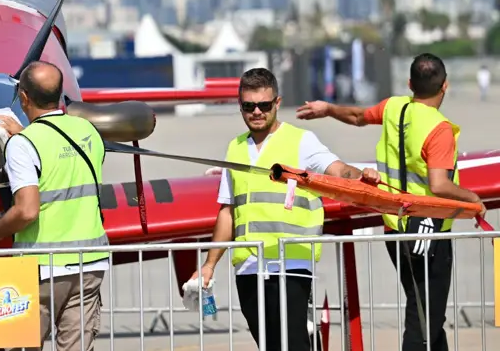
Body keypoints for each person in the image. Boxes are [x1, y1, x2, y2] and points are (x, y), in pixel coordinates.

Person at [296, 52, 485, 351]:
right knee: (422, 319)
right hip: (428, 232)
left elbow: (358, 117)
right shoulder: (439, 128)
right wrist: (474, 199)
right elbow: (439, 184)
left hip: (395, 230)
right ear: (445, 86)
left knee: (428, 312)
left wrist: (328, 108)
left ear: (410, 83)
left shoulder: (394, 107)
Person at [193, 68, 379, 351]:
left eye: (264, 105)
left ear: (277, 103)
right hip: (248, 267)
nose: (257, 112)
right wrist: (209, 264)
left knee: (293, 345)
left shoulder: (301, 141)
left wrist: (359, 176)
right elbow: (227, 211)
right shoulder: (235, 148)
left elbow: (338, 169)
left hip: (290, 263)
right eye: (248, 106)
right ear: (240, 106)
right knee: (269, 346)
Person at [0, 60, 107, 351]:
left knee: (21, 345)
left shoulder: (24, 145)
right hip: (91, 263)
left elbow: (27, 210)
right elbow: (61, 159)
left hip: (42, 266)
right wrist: (24, 137)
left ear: (24, 97)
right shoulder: (87, 131)